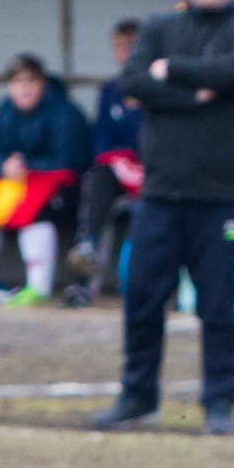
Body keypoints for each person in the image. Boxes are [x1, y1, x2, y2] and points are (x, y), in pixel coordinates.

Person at [93, 0, 234, 437]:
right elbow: (134, 81)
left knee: (219, 306)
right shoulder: (157, 27)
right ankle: (137, 397)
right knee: (142, 298)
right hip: (159, 195)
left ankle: (219, 403)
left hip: (223, 199)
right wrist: (198, 96)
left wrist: (171, 70)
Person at [0, 54, 90, 307]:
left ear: (43, 83)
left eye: (31, 81)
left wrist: (27, 166)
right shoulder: (5, 110)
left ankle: (38, 287)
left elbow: (70, 161)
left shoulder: (65, 112)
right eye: (17, 82)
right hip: (16, 185)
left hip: (62, 189)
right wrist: (4, 166)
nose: (24, 88)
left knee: (38, 213)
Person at [66, 18, 144, 279]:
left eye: (131, 47)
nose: (124, 54)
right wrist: (119, 162)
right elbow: (101, 139)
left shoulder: (161, 88)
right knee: (97, 176)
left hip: (154, 172)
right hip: (119, 172)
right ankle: (87, 247)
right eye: (118, 47)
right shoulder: (111, 90)